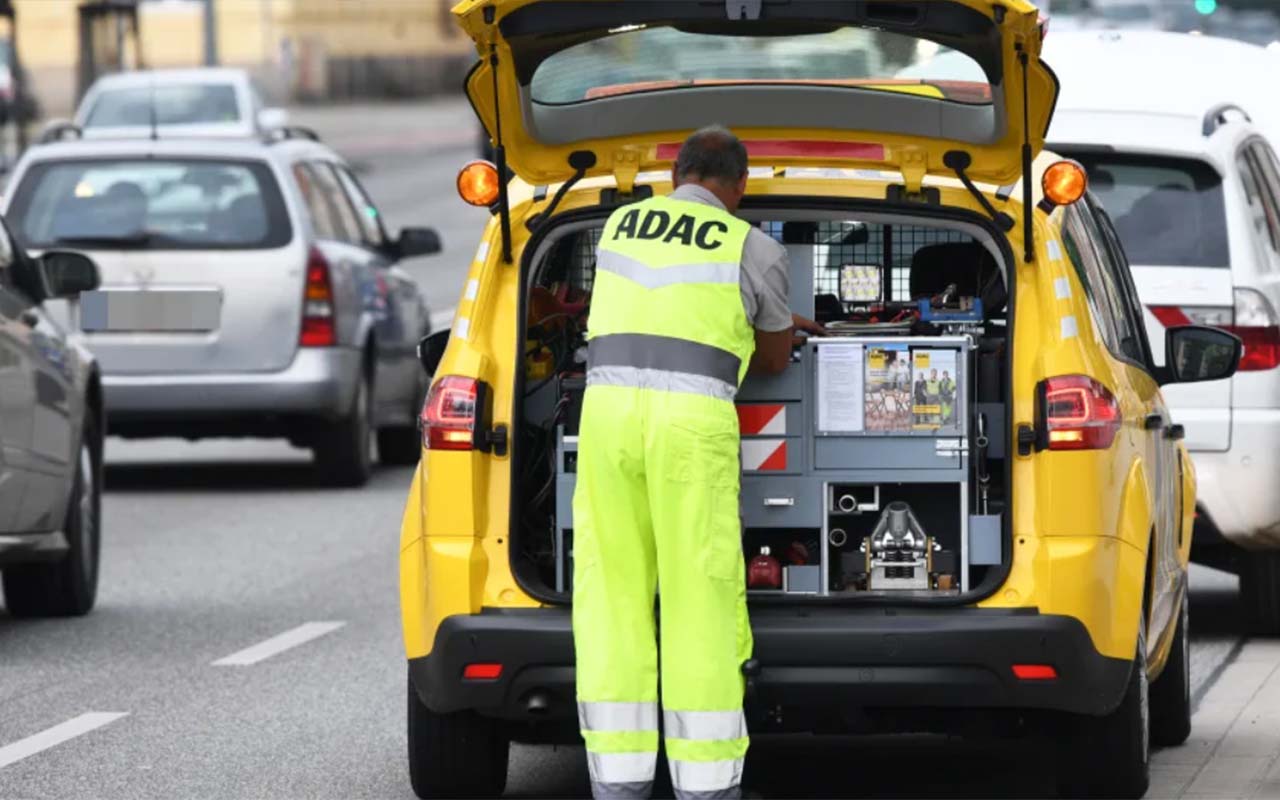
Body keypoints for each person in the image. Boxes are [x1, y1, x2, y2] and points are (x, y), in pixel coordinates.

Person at [573, 125, 823, 800]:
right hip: (689, 433)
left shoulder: (617, 226)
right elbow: (771, 359)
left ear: (673, 173)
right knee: (697, 598)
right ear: (740, 186)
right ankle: (706, 784)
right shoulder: (752, 245)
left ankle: (618, 780)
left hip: (607, 424)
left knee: (613, 592)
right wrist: (784, 325)